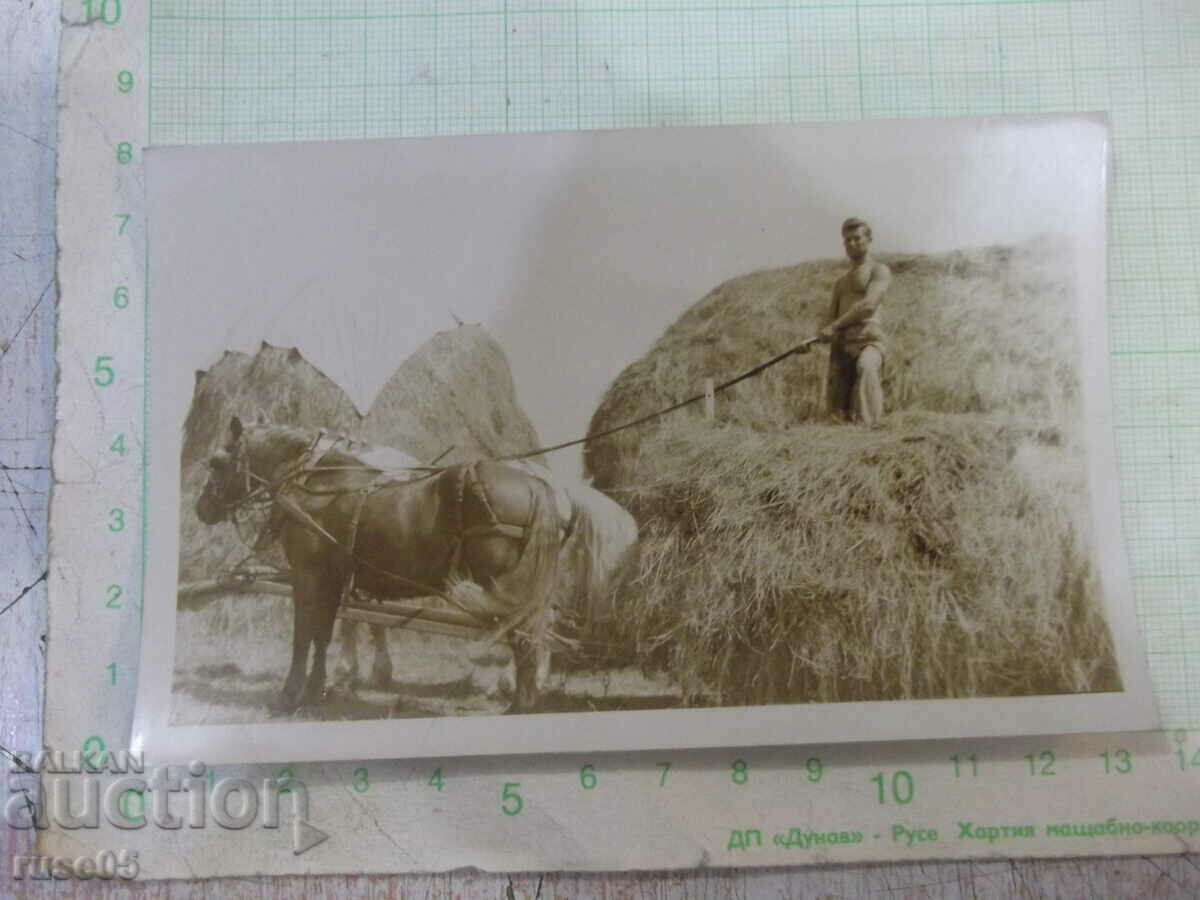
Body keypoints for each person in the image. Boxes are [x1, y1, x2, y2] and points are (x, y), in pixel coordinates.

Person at [817, 217, 891, 425]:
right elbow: (829, 320)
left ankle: (872, 429)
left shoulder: (879, 271)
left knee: (867, 366)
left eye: (857, 238)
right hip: (843, 348)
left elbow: (868, 304)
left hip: (869, 340)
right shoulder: (840, 284)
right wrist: (815, 337)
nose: (852, 243)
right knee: (836, 414)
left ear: (869, 239)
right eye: (847, 240)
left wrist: (835, 325)